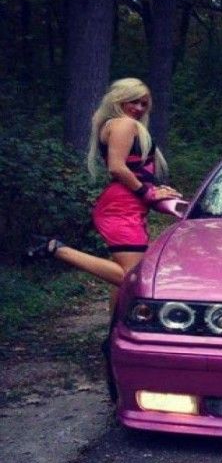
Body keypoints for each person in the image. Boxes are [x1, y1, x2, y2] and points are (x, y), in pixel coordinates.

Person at [28, 78, 181, 310]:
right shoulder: (123, 124)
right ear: (119, 100)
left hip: (127, 207)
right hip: (121, 208)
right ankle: (56, 248)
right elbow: (117, 167)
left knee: (123, 275)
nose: (139, 108)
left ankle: (114, 327)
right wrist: (147, 192)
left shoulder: (124, 125)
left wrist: (157, 189)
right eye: (133, 101)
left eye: (144, 103)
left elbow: (137, 171)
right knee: (131, 277)